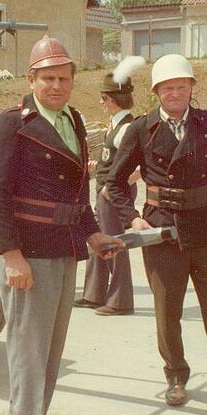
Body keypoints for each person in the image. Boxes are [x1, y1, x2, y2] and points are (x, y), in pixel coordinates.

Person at [105, 54, 207, 415]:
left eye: (181, 86)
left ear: (191, 88)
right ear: (157, 92)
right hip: (163, 232)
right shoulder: (141, 129)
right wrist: (132, 219)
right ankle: (176, 376)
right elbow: (113, 181)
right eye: (167, 88)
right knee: (167, 313)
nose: (175, 93)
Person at [0, 35, 124, 415]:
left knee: (51, 348)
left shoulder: (72, 120)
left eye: (64, 78)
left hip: (64, 249)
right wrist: (10, 256)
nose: (56, 86)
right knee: (28, 349)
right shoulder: (11, 124)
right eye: (48, 78)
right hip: (28, 253)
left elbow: (76, 190)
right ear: (31, 80)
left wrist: (93, 234)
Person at [76, 56, 145, 316]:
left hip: (113, 195)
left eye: (103, 99)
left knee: (114, 242)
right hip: (106, 191)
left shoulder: (128, 127)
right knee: (98, 240)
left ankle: (120, 300)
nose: (101, 103)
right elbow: (112, 161)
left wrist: (112, 187)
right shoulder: (115, 125)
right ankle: (94, 294)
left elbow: (139, 170)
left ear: (113, 100)